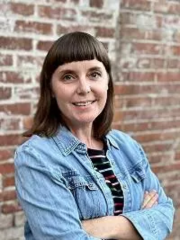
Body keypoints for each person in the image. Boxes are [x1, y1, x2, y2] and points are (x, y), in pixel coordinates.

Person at [14, 31, 175, 240]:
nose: (84, 88)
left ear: (107, 81)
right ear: (51, 88)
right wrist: (140, 224)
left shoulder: (127, 146)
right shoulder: (36, 158)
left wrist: (106, 226)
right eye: (68, 76)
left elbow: (165, 214)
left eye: (94, 74)